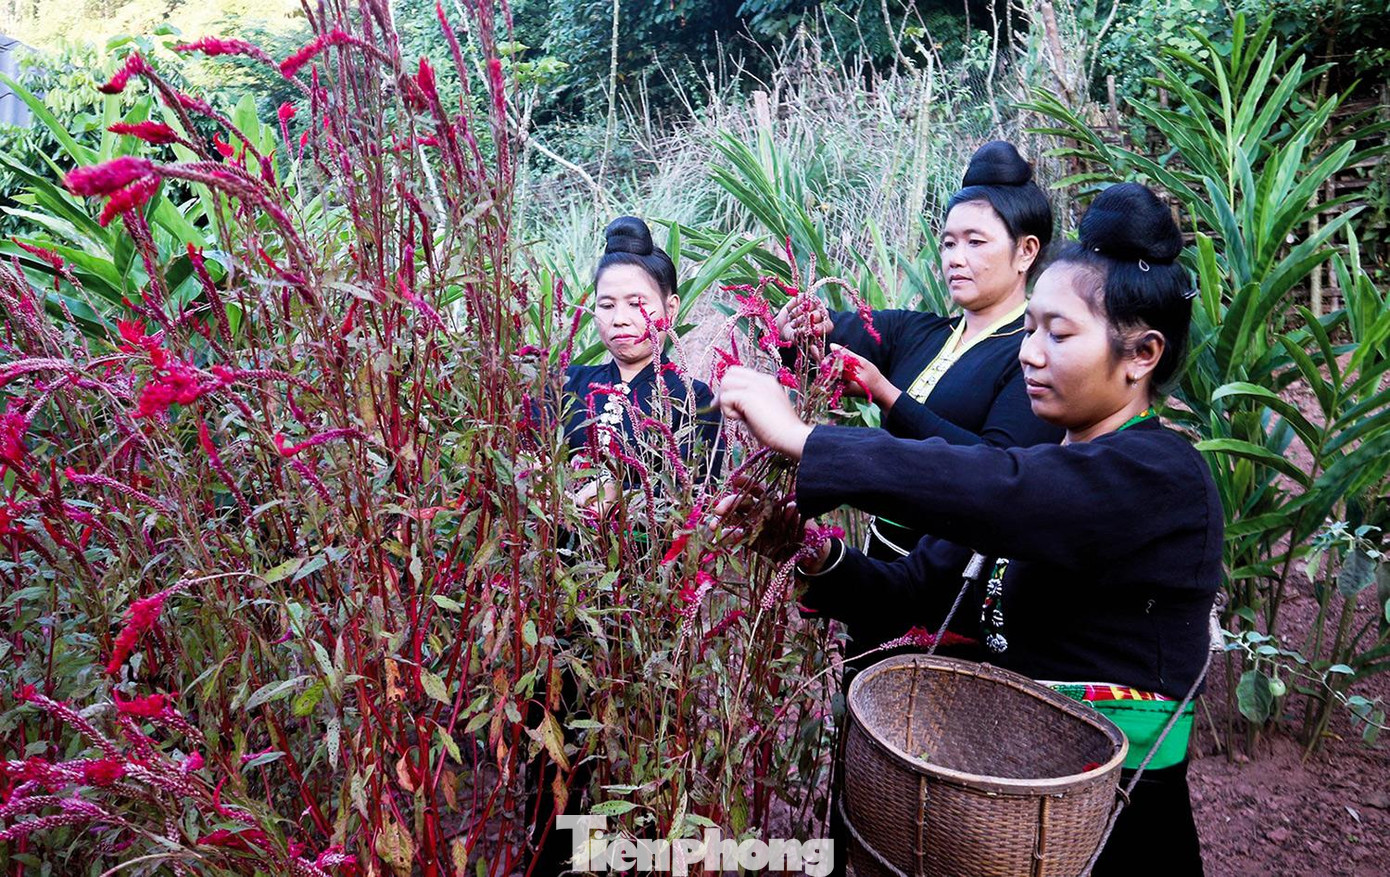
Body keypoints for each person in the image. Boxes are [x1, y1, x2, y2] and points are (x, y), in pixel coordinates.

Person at [719, 182, 1219, 875]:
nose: (1029, 354)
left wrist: (808, 441)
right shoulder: (1038, 468)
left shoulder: (1162, 475)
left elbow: (998, 490)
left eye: (1060, 333)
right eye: (1032, 328)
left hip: (1117, 824)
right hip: (1008, 815)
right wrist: (801, 546)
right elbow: (912, 588)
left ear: (1141, 355)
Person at [776, 140, 1063, 562]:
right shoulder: (920, 332)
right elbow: (829, 338)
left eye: (975, 242)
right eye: (948, 243)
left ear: (1026, 251)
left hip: (957, 575)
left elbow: (997, 467)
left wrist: (887, 394)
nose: (955, 258)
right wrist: (801, 327)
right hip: (881, 566)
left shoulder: (1033, 358)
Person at [563, 215, 720, 505]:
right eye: (607, 305)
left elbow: (695, 498)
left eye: (636, 304)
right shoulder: (567, 383)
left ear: (670, 308)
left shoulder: (694, 400)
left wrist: (620, 501)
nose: (619, 319)